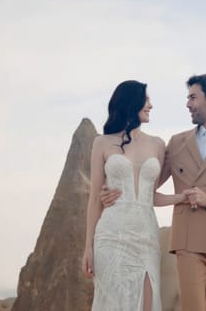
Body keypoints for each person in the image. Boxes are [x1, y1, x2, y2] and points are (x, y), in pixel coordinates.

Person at [102, 74, 206, 311]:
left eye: (193, 97)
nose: (187, 104)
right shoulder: (176, 143)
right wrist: (115, 189)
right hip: (189, 243)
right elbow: (147, 188)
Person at [82, 80, 185, 311]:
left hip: (146, 238)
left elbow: (151, 196)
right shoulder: (102, 142)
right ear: (131, 102)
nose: (150, 105)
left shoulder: (158, 145)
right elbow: (94, 198)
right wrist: (88, 247)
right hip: (110, 237)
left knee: (148, 303)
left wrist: (181, 197)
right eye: (146, 100)